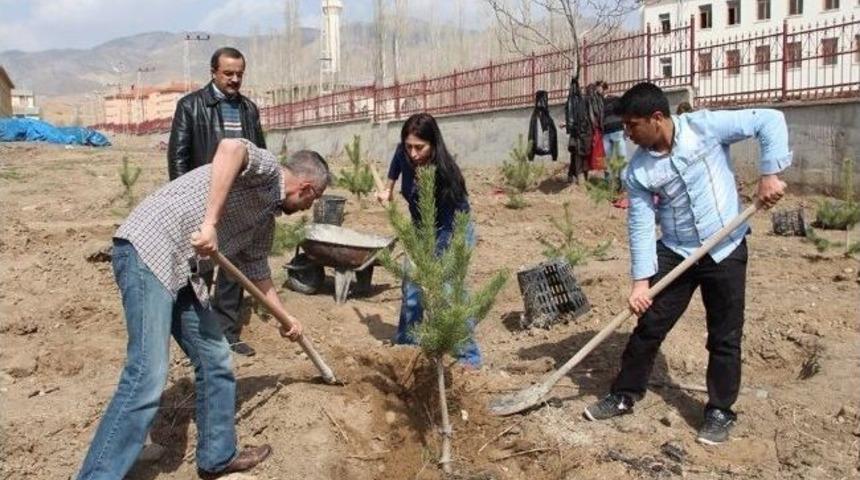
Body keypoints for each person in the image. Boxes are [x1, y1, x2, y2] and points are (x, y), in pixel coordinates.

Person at [76, 139, 330, 479]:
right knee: (147, 375)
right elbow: (228, 148)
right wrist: (210, 223)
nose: (307, 208)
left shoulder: (263, 222)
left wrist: (286, 318)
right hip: (150, 250)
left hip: (182, 271)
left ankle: (217, 456)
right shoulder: (267, 170)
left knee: (216, 359)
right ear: (307, 188)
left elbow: (257, 274)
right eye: (314, 201)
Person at [583, 82, 790, 446]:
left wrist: (769, 174)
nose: (628, 136)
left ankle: (720, 410)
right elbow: (641, 225)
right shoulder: (639, 172)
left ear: (657, 118)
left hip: (725, 246)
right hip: (677, 250)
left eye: (633, 126)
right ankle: (624, 394)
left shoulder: (705, 128)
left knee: (725, 335)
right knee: (648, 326)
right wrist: (640, 282)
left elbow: (769, 120)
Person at [167, 46, 266, 357]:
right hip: (203, 200)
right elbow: (178, 156)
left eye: (239, 74)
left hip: (240, 204)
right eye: (228, 74)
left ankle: (227, 334)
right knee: (199, 269)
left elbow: (260, 153)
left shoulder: (249, 109)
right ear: (213, 73)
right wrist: (185, 200)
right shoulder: (191, 106)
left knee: (234, 269)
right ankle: (199, 340)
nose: (235, 79)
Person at [375, 113, 481, 368]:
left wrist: (433, 264)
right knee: (411, 290)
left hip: (452, 230)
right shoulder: (404, 154)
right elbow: (396, 164)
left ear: (433, 144)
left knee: (449, 294)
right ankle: (406, 347)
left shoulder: (446, 173)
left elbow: (449, 224)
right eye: (409, 146)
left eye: (419, 147)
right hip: (421, 228)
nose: (413, 153)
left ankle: (468, 359)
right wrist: (388, 189)